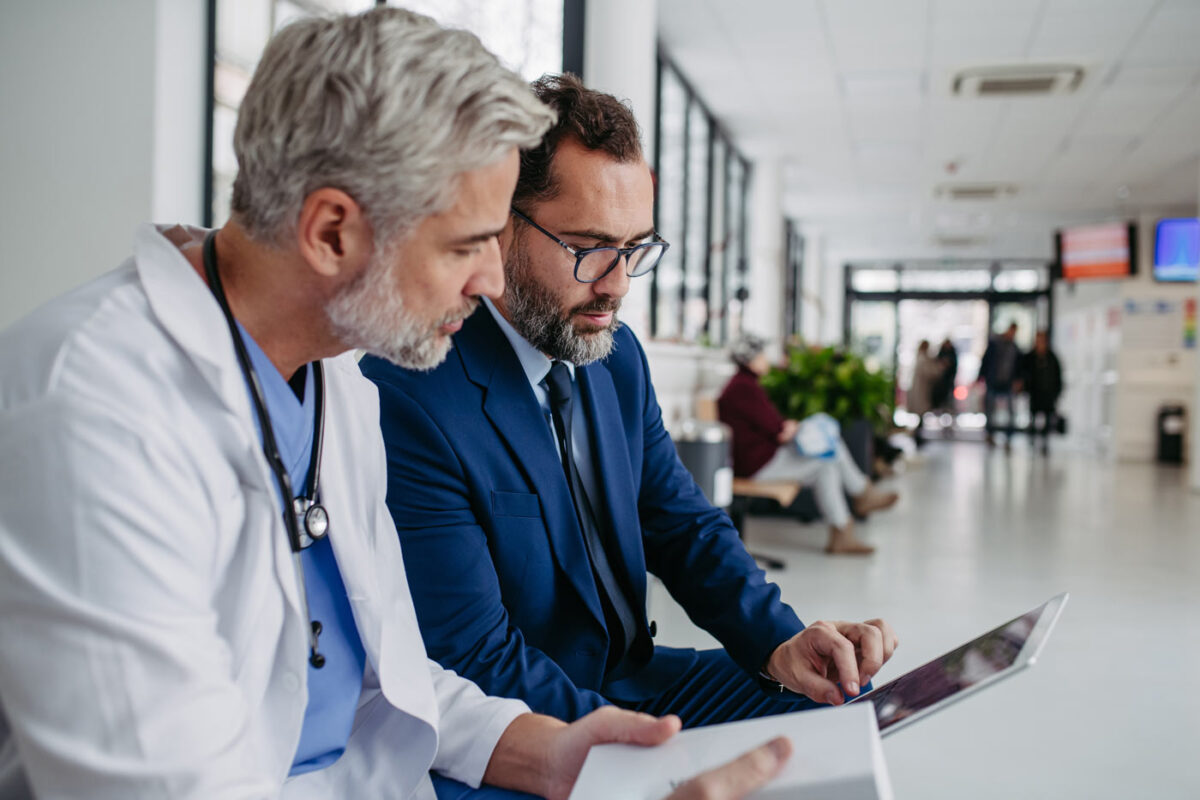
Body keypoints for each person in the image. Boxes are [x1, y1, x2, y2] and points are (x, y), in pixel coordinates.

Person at [0, 11, 781, 800]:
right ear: (333, 233)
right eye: (463, 243)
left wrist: (559, 755)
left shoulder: (334, 373)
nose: (489, 280)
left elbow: (396, 680)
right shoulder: (88, 413)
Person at [361, 74, 899, 737]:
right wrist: (639, 749)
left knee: (839, 701)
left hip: (636, 680)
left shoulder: (614, 359)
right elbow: (475, 659)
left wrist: (780, 646)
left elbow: (682, 524)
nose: (616, 285)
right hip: (528, 717)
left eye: (634, 248)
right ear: (501, 227)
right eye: (588, 248)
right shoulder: (414, 395)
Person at [717, 335, 899, 555]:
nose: (766, 360)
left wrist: (790, 427)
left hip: (760, 458)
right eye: (762, 355)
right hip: (756, 465)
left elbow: (772, 426)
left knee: (828, 458)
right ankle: (859, 497)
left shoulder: (742, 384)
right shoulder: (744, 388)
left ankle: (845, 528)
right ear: (750, 359)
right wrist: (791, 427)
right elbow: (778, 431)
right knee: (828, 453)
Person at [978, 322, 1023, 450]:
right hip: (993, 381)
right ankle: (990, 434)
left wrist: (1018, 381)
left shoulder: (1015, 348)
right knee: (990, 410)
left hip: (1007, 383)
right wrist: (981, 377)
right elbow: (986, 360)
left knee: (1010, 412)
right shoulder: (995, 344)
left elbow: (1018, 367)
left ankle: (1008, 437)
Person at [1020, 330, 1063, 455]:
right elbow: (1023, 372)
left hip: (1048, 393)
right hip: (1035, 392)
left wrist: (1057, 391)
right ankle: (1032, 440)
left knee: (1047, 418)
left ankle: (1044, 442)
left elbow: (1057, 375)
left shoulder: (1052, 357)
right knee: (1033, 417)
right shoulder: (1030, 357)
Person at [907, 339, 944, 448]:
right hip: (921, 391)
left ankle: (917, 436)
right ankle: (916, 436)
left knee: (921, 416)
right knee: (921, 415)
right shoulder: (923, 359)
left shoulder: (920, 357)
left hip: (921, 390)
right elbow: (929, 373)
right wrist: (939, 368)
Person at [931, 337, 958, 415]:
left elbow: (954, 366)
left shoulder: (952, 353)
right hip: (942, 380)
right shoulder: (941, 353)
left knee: (949, 396)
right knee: (942, 396)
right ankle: (941, 410)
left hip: (949, 379)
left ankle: (948, 411)